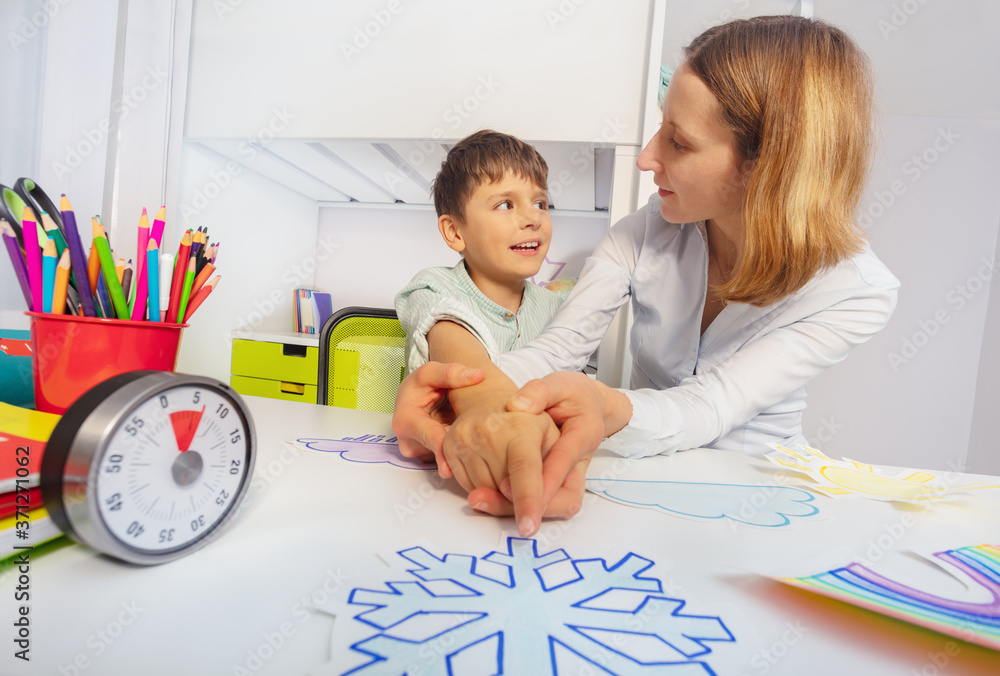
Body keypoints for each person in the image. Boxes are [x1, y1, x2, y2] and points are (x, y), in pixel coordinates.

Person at [392, 15, 901, 538]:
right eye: (662, 125)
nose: (647, 158)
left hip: (756, 495)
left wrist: (604, 405)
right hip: (637, 480)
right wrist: (469, 397)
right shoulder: (642, 233)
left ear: (766, 165)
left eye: (678, 142)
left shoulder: (855, 291)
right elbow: (556, 350)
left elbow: (713, 405)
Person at [394, 130, 565, 479]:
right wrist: (489, 400)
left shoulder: (556, 309)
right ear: (455, 232)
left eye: (540, 203)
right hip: (446, 471)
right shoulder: (432, 287)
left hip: (537, 460)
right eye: (505, 204)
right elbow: (449, 333)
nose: (532, 218)